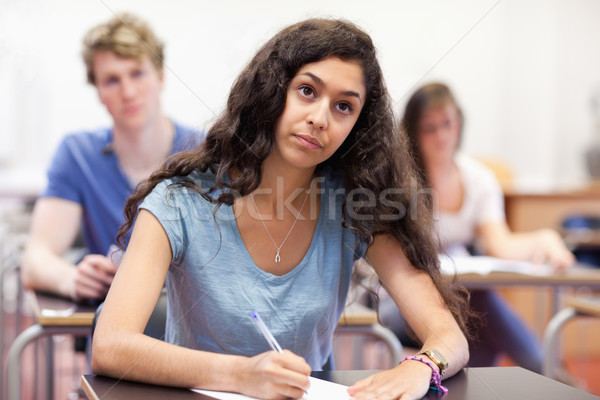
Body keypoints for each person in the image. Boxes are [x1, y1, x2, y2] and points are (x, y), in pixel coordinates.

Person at [92, 19, 470, 400]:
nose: (320, 119)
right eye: (307, 90)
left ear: (358, 126)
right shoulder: (179, 201)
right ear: (271, 91)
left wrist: (424, 366)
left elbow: (448, 336)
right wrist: (242, 375)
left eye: (344, 106)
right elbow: (110, 345)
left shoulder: (356, 204)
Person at [380, 82, 575, 373]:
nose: (441, 136)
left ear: (459, 123)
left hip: (463, 303)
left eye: (447, 124)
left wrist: (544, 239)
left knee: (478, 314)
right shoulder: (397, 182)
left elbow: (501, 244)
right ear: (412, 133)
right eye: (429, 128)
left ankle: (550, 378)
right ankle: (556, 378)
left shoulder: (478, 179)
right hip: (401, 303)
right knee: (478, 303)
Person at [21, 13, 201, 302]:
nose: (128, 92)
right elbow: (35, 261)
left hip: (191, 333)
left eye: (137, 74)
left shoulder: (204, 153)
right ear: (99, 93)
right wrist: (73, 278)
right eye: (112, 80)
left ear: (161, 77)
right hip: (114, 329)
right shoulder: (78, 155)